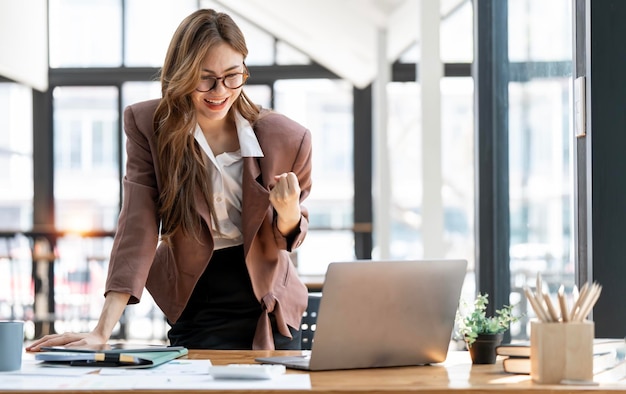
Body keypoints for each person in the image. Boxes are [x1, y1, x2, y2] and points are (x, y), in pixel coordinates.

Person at [27, 8, 311, 351]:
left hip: (269, 303)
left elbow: (287, 238)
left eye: (232, 76)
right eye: (204, 77)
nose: (219, 90)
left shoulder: (288, 138)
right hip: (194, 297)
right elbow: (138, 225)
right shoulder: (149, 126)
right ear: (181, 72)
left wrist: (289, 212)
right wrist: (101, 331)